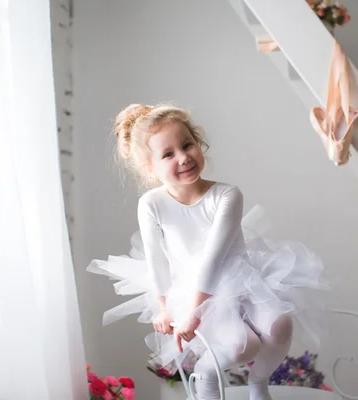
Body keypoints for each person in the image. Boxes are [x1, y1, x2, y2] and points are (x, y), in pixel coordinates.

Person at [87, 103, 331, 400]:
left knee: (280, 324)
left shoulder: (227, 195)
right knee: (244, 345)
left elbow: (213, 260)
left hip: (240, 279)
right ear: (150, 168)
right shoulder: (151, 204)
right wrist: (166, 308)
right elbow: (157, 261)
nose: (183, 157)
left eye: (187, 145)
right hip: (192, 291)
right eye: (168, 154)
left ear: (198, 143)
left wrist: (193, 315)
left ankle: (258, 383)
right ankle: (205, 374)